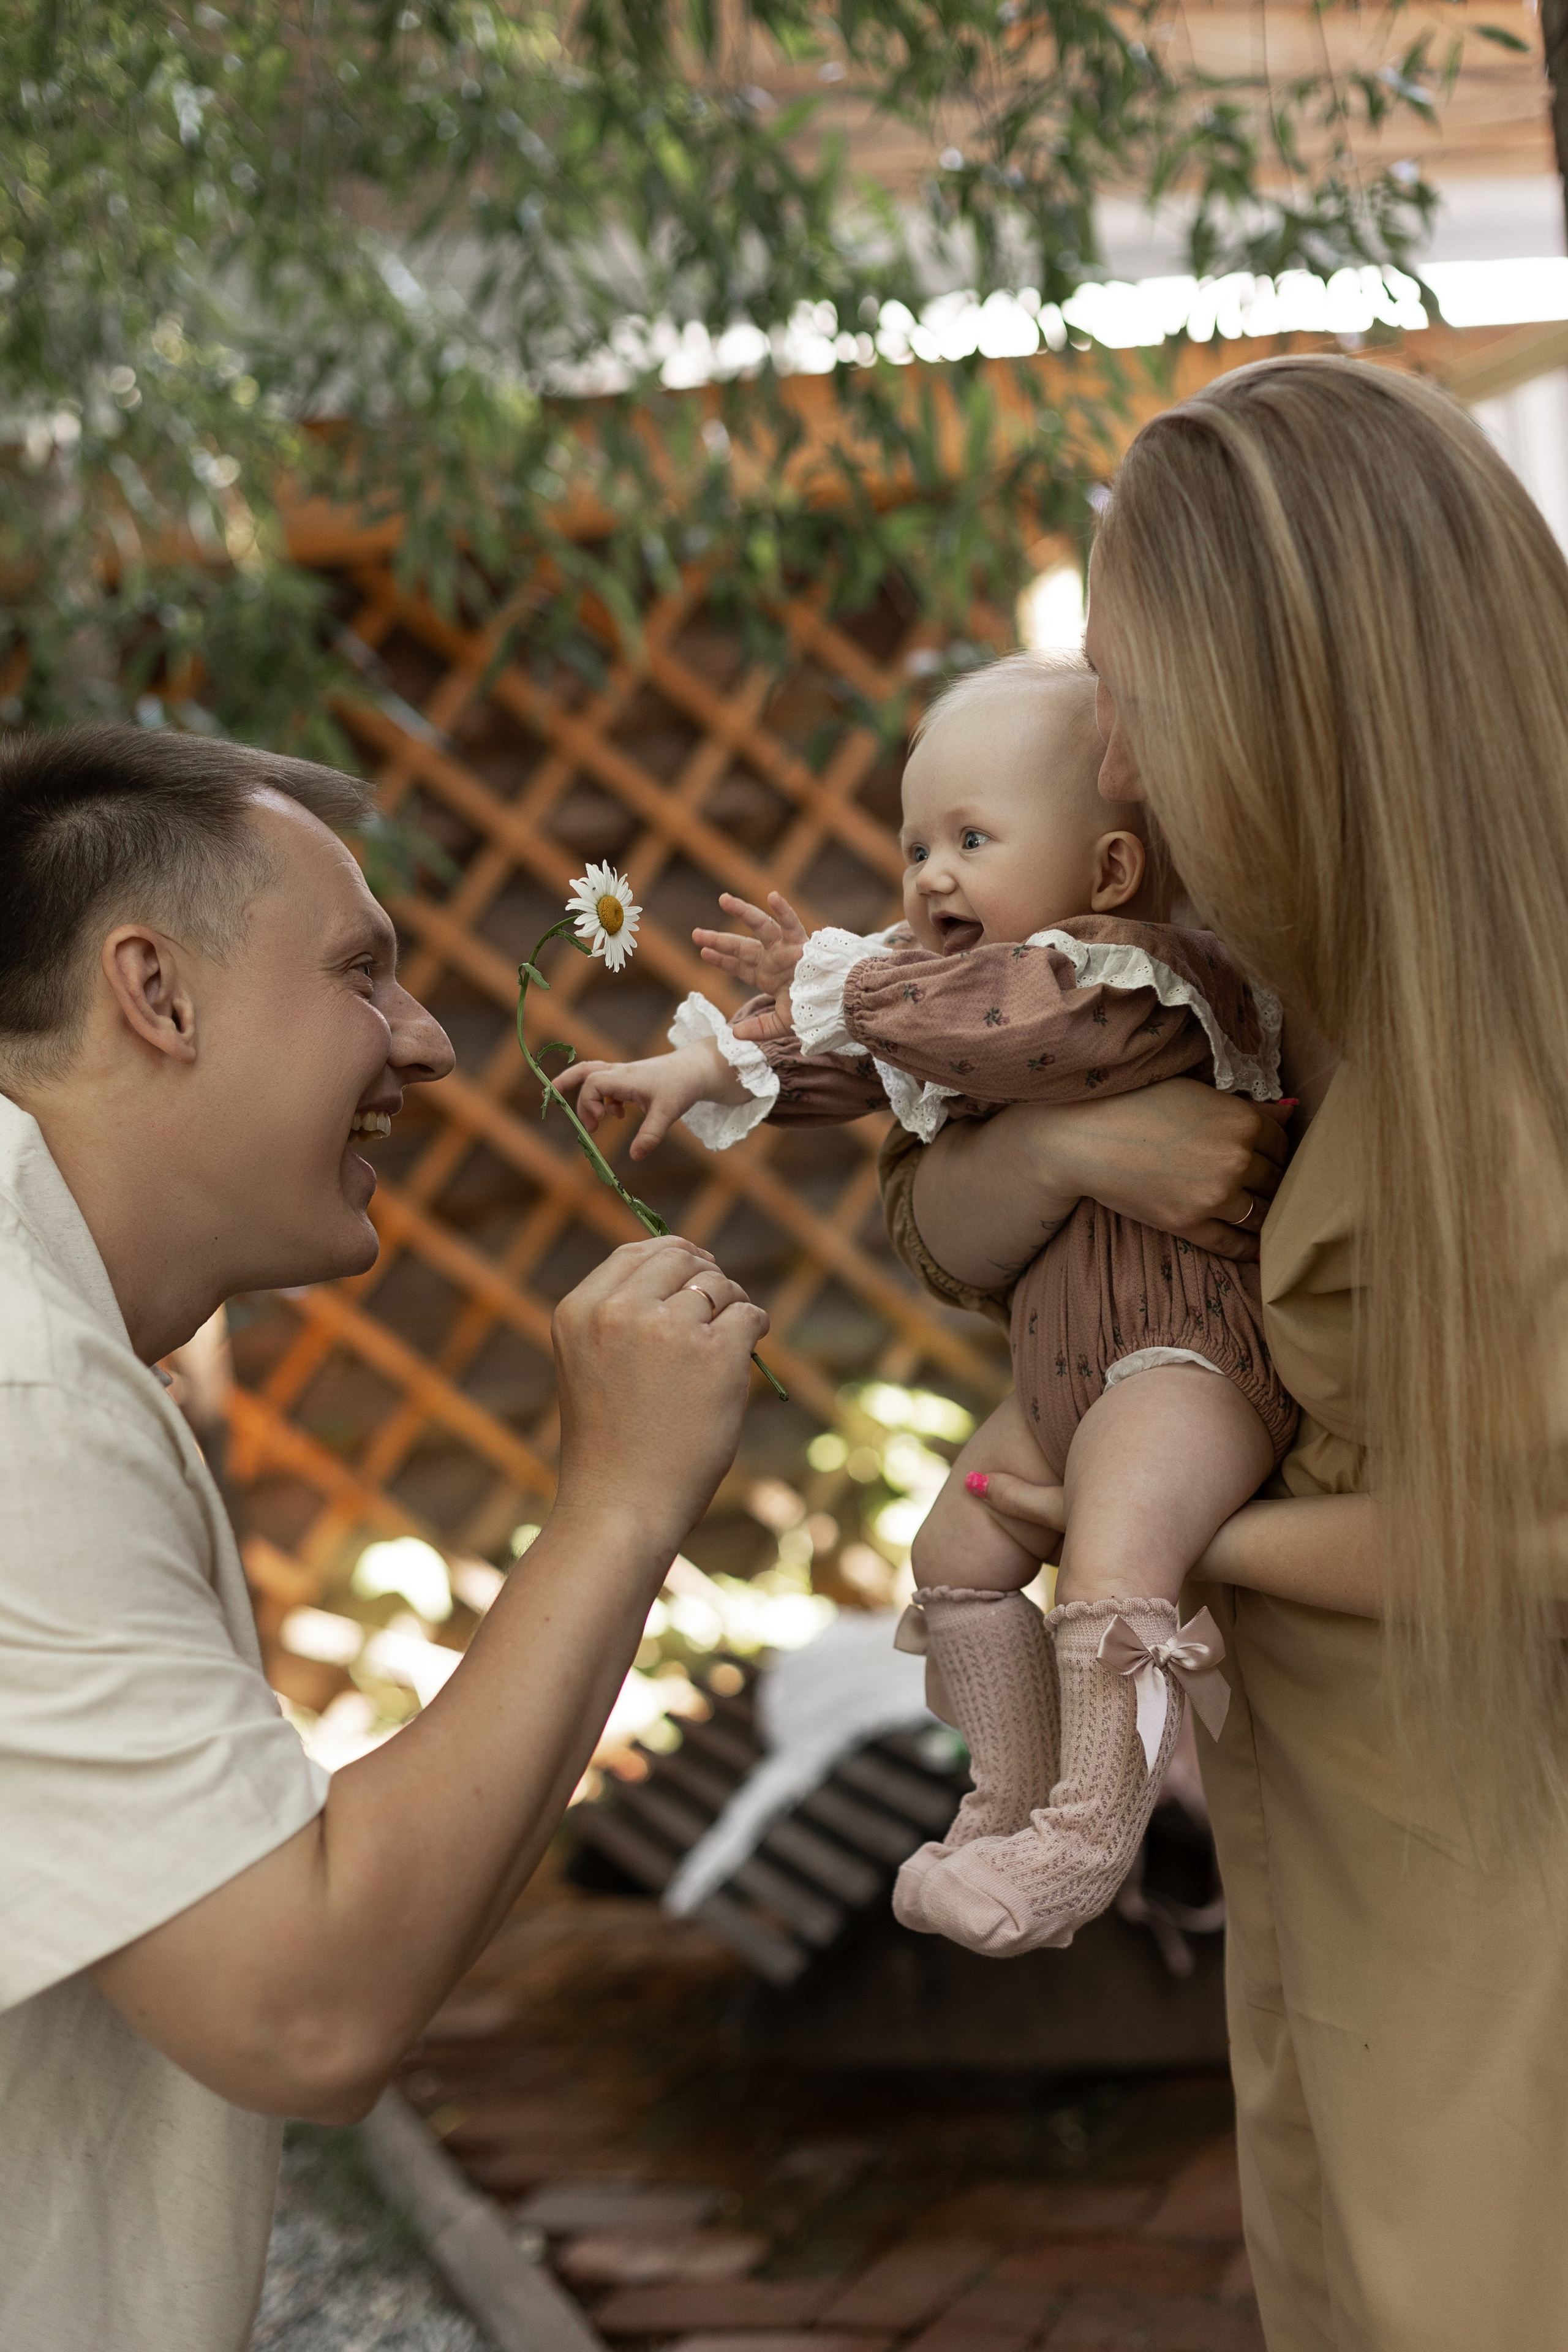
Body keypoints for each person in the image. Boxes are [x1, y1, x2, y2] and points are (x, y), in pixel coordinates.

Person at [881, 355, 1568, 2352]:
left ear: (1292, 697)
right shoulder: (1252, 979)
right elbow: (942, 1226)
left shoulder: (1509, 1064)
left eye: (1135, 700)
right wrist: (1064, 1143)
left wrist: (1168, 1538)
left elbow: (1529, 1542)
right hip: (1344, 1871)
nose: (1112, 776)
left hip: (1508, 1913)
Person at [0, 728, 768, 2352]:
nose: (425, 1044)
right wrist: (621, 1506)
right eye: (362, 970)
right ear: (156, 991)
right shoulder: (22, 1393)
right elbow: (304, 2004)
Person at [556, 654, 1297, 1957]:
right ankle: (1000, 1801)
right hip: (1066, 1385)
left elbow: (1009, 1029)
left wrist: (849, 983)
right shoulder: (939, 1007)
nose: (928, 875)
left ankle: (1083, 1838)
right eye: (912, 844)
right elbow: (845, 1058)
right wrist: (688, 1065)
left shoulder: (1126, 978)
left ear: (1109, 871)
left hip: (1182, 1370)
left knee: (1112, 1556)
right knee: (954, 1554)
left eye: (970, 838)